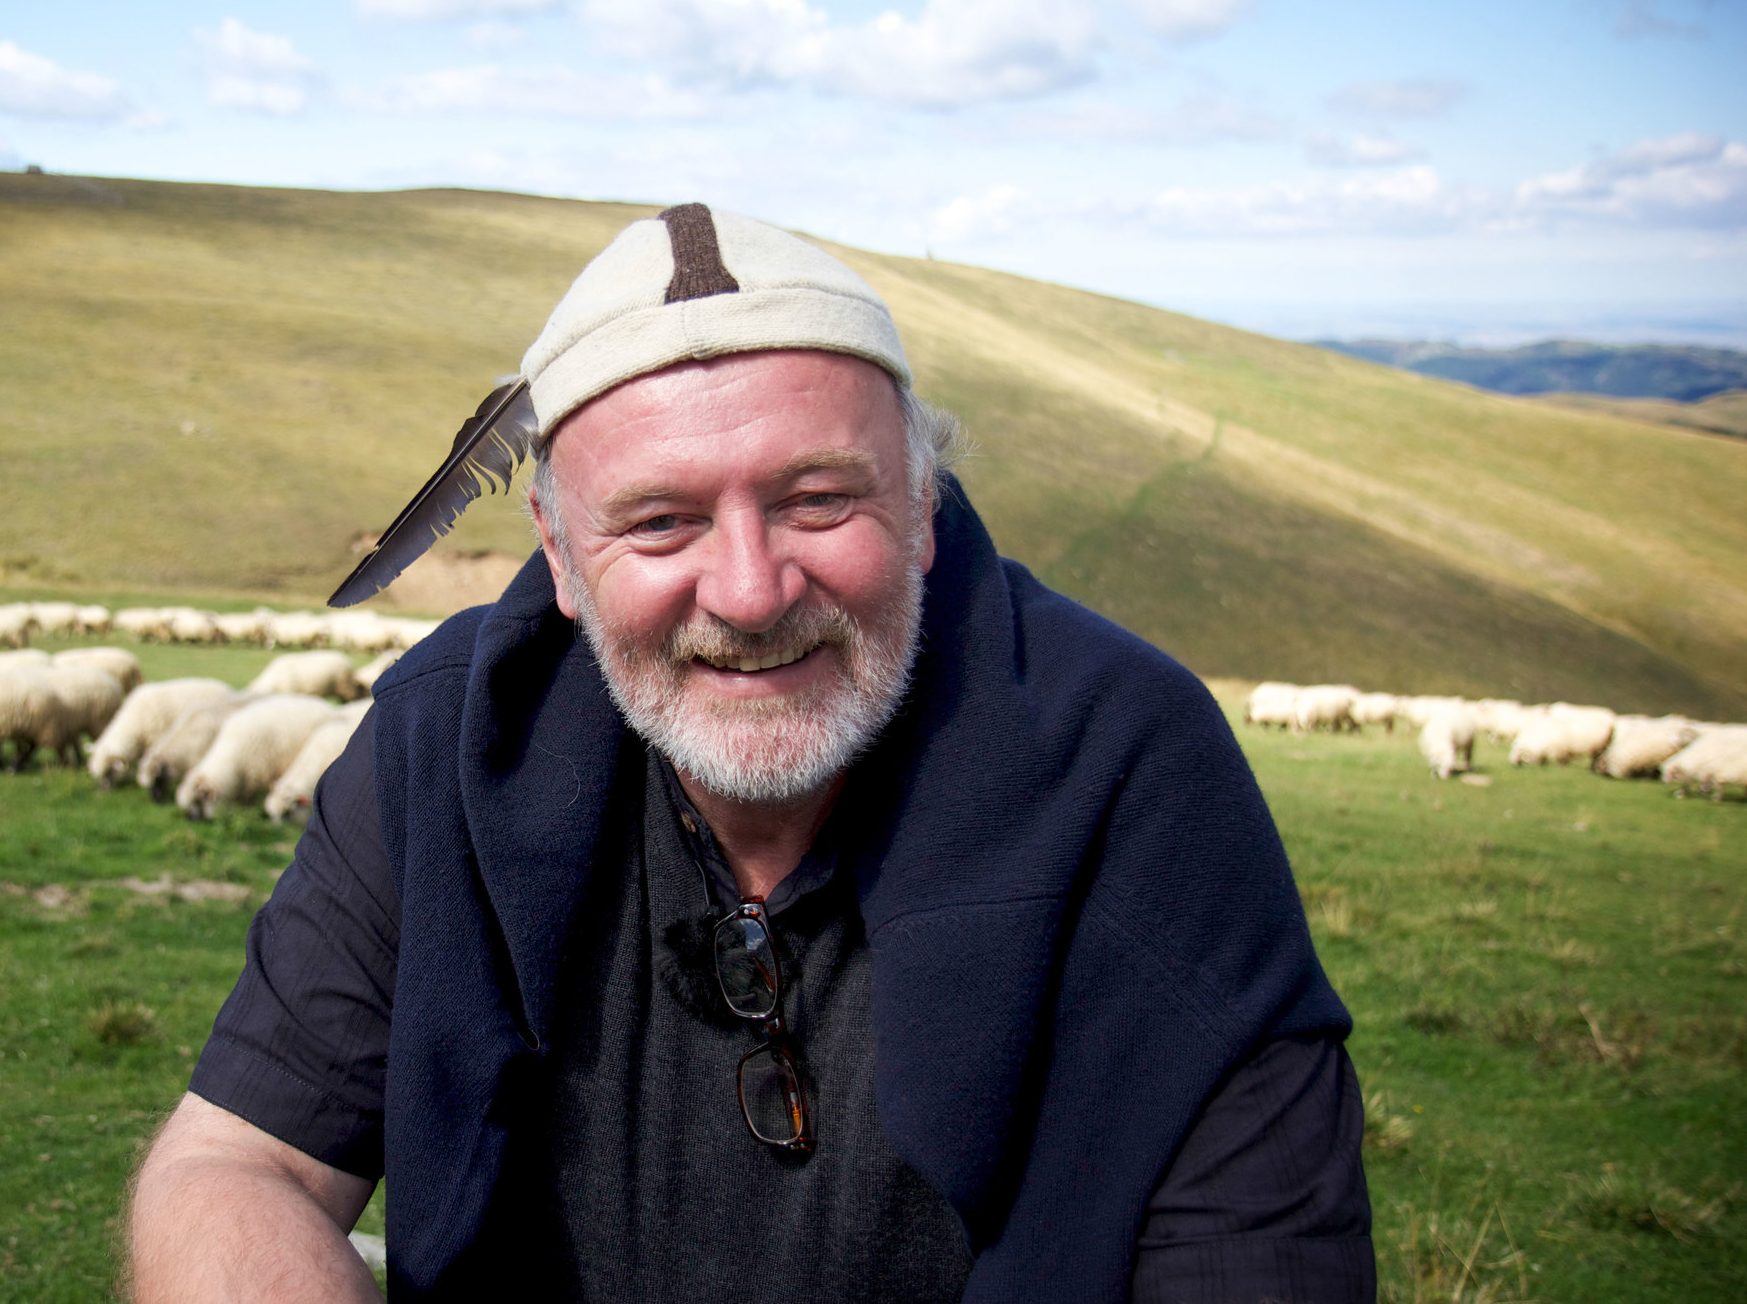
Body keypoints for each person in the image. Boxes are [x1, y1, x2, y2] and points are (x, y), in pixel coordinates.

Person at [128, 205, 1373, 1303]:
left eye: (818, 500)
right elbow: (237, 1166)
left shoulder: (1132, 769)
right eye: (660, 520)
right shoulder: (445, 745)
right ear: (558, 558)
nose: (750, 589)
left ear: (923, 510)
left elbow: (1257, 1258)